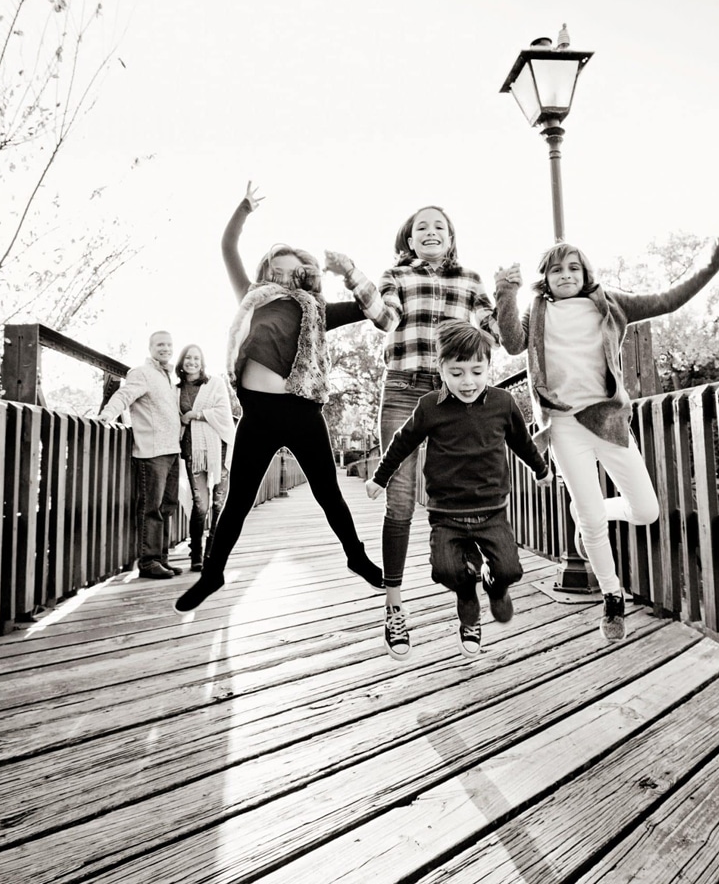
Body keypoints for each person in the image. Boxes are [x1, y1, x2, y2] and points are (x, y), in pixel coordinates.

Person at [493, 238, 719, 640]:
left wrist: (710, 266)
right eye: (556, 270)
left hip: (609, 421)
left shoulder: (611, 303)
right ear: (545, 278)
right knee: (592, 520)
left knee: (646, 510)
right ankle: (612, 597)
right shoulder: (540, 310)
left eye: (573, 269)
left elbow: (667, 300)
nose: (565, 276)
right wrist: (506, 292)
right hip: (564, 425)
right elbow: (512, 342)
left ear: (585, 274)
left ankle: (590, 516)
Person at [174, 183, 385, 613]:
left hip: (302, 413)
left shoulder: (315, 310)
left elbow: (369, 308)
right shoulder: (252, 299)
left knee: (329, 492)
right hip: (257, 414)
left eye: (294, 272)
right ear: (266, 272)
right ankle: (213, 572)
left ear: (305, 276)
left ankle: (356, 557)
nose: (285, 276)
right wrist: (244, 208)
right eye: (278, 270)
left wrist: (349, 272)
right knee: (238, 500)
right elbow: (227, 245)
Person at [363, 205, 502, 660]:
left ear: (451, 237)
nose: (430, 231)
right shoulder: (396, 276)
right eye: (421, 226)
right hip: (403, 390)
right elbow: (386, 320)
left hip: (454, 396)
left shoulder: (472, 281)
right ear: (409, 239)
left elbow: (496, 335)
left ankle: (470, 613)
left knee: (464, 497)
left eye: (439, 226)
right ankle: (394, 607)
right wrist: (355, 279)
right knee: (400, 500)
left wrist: (510, 295)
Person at [367, 321, 549, 658]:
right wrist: (380, 478)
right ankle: (468, 603)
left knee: (510, 569)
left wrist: (540, 469)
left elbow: (522, 442)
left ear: (488, 367)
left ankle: (494, 584)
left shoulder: (503, 404)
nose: (468, 382)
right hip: (446, 515)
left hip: (491, 512)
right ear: (442, 369)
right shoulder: (428, 408)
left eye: (477, 371)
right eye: (457, 372)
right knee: (447, 571)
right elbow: (401, 443)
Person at [99, 330, 183, 579]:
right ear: (150, 348)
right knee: (151, 508)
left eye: (169, 344)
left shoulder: (168, 376)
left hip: (172, 451)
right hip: (152, 451)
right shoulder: (141, 372)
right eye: (160, 344)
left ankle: (162, 558)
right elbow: (124, 394)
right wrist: (107, 414)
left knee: (167, 507)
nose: (165, 348)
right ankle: (148, 562)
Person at [176, 343, 234, 572]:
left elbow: (223, 413)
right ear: (182, 362)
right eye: (188, 358)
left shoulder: (215, 384)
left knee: (219, 504)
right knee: (201, 505)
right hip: (193, 452)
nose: (192, 362)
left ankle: (212, 551)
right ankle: (196, 554)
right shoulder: (176, 390)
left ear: (202, 362)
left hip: (218, 450)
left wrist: (196, 414)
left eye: (196, 358)